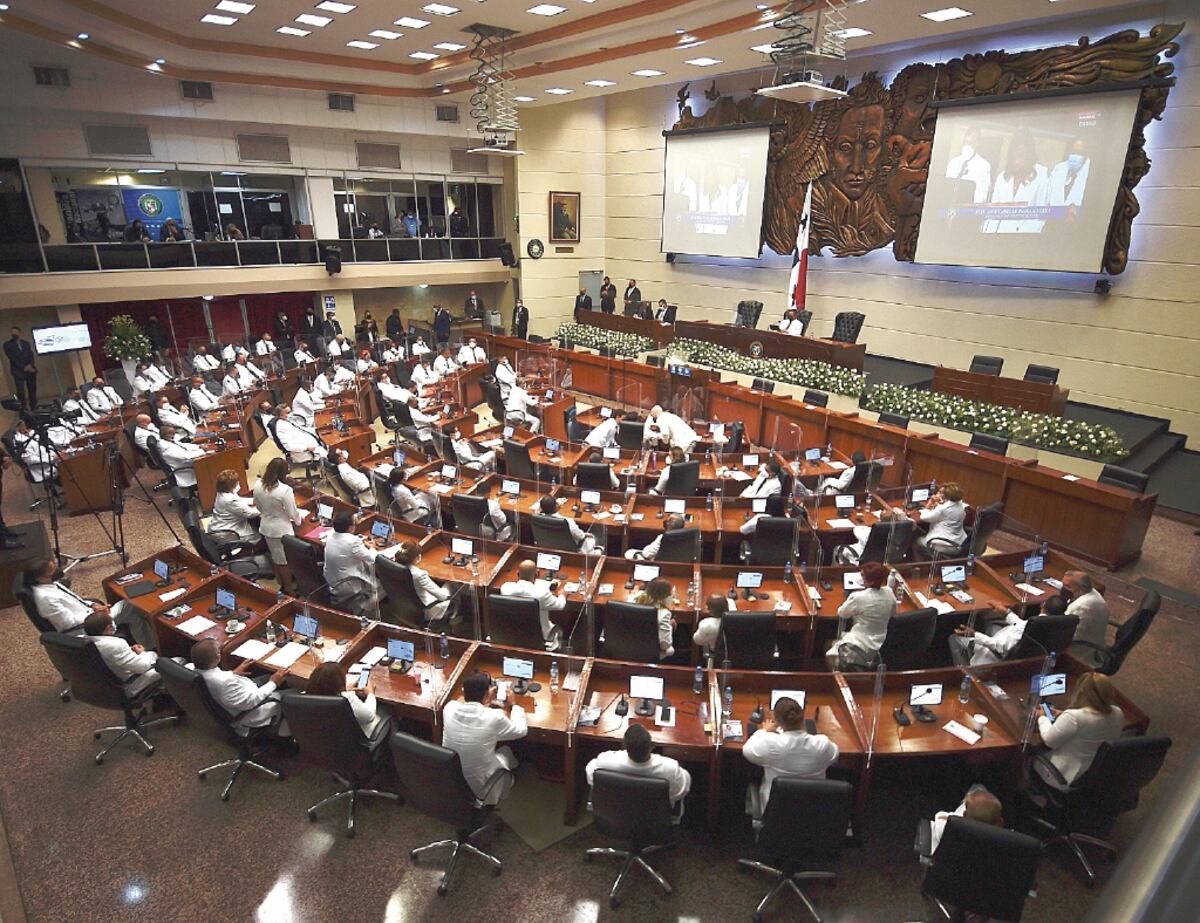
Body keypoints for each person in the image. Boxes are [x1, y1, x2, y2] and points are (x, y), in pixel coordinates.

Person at [742, 695, 839, 819]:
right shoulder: (822, 744)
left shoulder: (771, 744)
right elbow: (834, 755)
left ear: (776, 721)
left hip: (775, 813)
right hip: (813, 813)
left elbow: (747, 751)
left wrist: (764, 731)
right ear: (803, 718)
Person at [442, 670, 527, 805]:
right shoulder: (494, 717)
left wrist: (484, 700)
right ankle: (508, 782)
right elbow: (521, 731)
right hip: (480, 787)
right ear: (488, 693)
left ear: (463, 692)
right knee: (507, 751)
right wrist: (513, 705)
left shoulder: (449, 708)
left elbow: (466, 705)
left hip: (451, 779)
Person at [1034, 672, 1125, 790]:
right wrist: (1063, 716)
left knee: (1032, 756)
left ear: (1084, 694)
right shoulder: (1118, 712)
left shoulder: (1074, 717)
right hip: (1095, 773)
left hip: (1066, 775)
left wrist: (1042, 717)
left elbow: (1049, 741)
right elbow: (1092, 720)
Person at [190, 638, 290, 738]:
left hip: (237, 698)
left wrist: (232, 673)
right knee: (292, 695)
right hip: (250, 712)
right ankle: (286, 732)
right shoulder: (225, 682)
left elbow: (214, 678)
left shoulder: (192, 671)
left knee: (268, 676)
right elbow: (251, 702)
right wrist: (273, 683)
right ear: (218, 656)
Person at [26, 558, 138, 637]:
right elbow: (68, 624)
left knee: (134, 617)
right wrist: (96, 615)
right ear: (40, 578)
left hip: (89, 614)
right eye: (53, 571)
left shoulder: (49, 583)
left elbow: (75, 599)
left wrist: (93, 605)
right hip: (88, 627)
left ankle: (147, 644)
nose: (58, 571)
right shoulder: (45, 599)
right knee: (130, 604)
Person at [586, 724, 691, 808]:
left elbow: (591, 776)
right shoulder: (670, 768)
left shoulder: (605, 761)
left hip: (618, 811)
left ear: (624, 746)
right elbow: (681, 791)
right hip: (654, 817)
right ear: (651, 747)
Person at [826, 561, 895, 670]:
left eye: (863, 576)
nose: (861, 577)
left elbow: (842, 613)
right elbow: (892, 614)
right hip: (881, 645)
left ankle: (836, 678)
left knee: (829, 651)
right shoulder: (889, 592)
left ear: (871, 581)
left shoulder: (858, 597)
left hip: (860, 646)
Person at [83, 609, 162, 696]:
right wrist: (145, 653)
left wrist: (128, 651)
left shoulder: (83, 641)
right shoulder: (115, 645)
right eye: (111, 624)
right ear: (108, 628)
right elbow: (144, 666)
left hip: (105, 683)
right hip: (129, 683)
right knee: (176, 661)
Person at [985, 128, 1048, 234]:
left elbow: (1041, 218)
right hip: (1000, 238)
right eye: (1014, 157)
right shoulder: (1002, 178)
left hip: (1026, 239)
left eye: (1021, 156)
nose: (1016, 161)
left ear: (1029, 156)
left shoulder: (1041, 176)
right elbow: (993, 216)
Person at [253, 457, 304, 589]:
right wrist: (299, 521)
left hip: (266, 527)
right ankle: (288, 590)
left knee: (275, 558)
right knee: (284, 562)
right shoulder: (284, 490)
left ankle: (280, 583)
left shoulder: (258, 484)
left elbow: (258, 506)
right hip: (281, 530)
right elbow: (292, 512)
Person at [305, 661, 384, 737]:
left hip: (321, 741)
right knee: (386, 710)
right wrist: (370, 694)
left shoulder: (302, 699)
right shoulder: (346, 700)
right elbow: (369, 716)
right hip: (352, 741)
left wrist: (344, 690)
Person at [500, 559, 566, 649]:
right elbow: (560, 605)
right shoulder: (542, 594)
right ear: (537, 574)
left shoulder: (506, 588)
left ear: (517, 573)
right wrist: (563, 594)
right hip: (540, 638)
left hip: (512, 636)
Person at [322, 510, 378, 610]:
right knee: (381, 585)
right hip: (346, 583)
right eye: (353, 524)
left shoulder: (330, 534)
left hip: (330, 580)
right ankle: (365, 607)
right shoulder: (353, 542)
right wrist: (372, 547)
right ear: (350, 527)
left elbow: (344, 544)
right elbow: (372, 558)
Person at [930, 785, 1004, 854]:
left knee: (977, 788)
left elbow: (940, 817)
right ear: (1000, 822)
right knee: (979, 788)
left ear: (964, 815)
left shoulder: (949, 828)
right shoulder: (1006, 843)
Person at [392, 541, 454, 624]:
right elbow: (442, 597)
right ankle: (454, 617)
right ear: (415, 558)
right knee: (452, 584)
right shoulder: (419, 575)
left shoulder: (393, 565)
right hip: (425, 608)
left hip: (403, 606)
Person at [950, 606, 1029, 666]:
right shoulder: (1037, 622)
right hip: (1006, 641)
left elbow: (1001, 647)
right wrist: (1007, 612)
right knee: (991, 625)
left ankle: (965, 673)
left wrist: (975, 635)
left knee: (954, 638)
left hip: (996, 657)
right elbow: (1022, 625)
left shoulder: (1034, 624)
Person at [1063, 570, 1110, 667]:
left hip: (1080, 653)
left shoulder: (1082, 607)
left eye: (1067, 587)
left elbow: (1070, 636)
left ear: (1080, 588)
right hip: (1093, 640)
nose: (1063, 589)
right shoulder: (1092, 592)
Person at [915, 482, 967, 556]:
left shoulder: (943, 508)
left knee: (916, 541)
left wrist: (930, 503)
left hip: (943, 544)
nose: (938, 494)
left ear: (946, 496)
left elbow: (924, 518)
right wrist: (939, 504)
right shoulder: (961, 505)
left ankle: (921, 564)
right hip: (957, 543)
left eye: (940, 492)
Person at [209, 469, 262, 543]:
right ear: (230, 486)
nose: (238, 484)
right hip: (227, 533)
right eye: (237, 483)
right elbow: (250, 513)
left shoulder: (223, 493)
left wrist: (254, 501)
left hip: (218, 527)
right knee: (259, 538)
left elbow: (239, 500)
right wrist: (263, 507)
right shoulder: (229, 499)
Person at [944, 126, 992, 204]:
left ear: (977, 143)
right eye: (965, 143)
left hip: (969, 209)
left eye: (970, 143)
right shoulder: (953, 162)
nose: (966, 146)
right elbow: (947, 187)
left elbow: (982, 194)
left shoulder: (984, 166)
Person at [634, 577, 677, 659]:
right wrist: (670, 626)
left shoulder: (634, 600)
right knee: (670, 650)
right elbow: (665, 644)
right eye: (670, 594)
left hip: (630, 642)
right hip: (648, 650)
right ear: (665, 596)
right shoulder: (664, 614)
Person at [1048, 138, 1090, 208]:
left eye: (1079, 153)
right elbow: (1048, 194)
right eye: (1073, 152)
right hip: (1054, 215)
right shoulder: (1059, 168)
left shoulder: (1090, 172)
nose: (1075, 156)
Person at [6, 326, 39, 409]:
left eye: (15, 332)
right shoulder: (7, 345)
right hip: (18, 371)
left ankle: (34, 407)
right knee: (20, 391)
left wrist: (30, 365)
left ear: (19, 333)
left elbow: (31, 355)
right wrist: (23, 367)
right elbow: (12, 358)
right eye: (12, 332)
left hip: (30, 370)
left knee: (32, 390)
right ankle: (23, 409)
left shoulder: (25, 343)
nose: (14, 333)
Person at [692, 594, 729, 659]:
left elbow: (697, 640)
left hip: (717, 658)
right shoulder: (736, 621)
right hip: (737, 656)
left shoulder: (706, 624)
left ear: (709, 609)